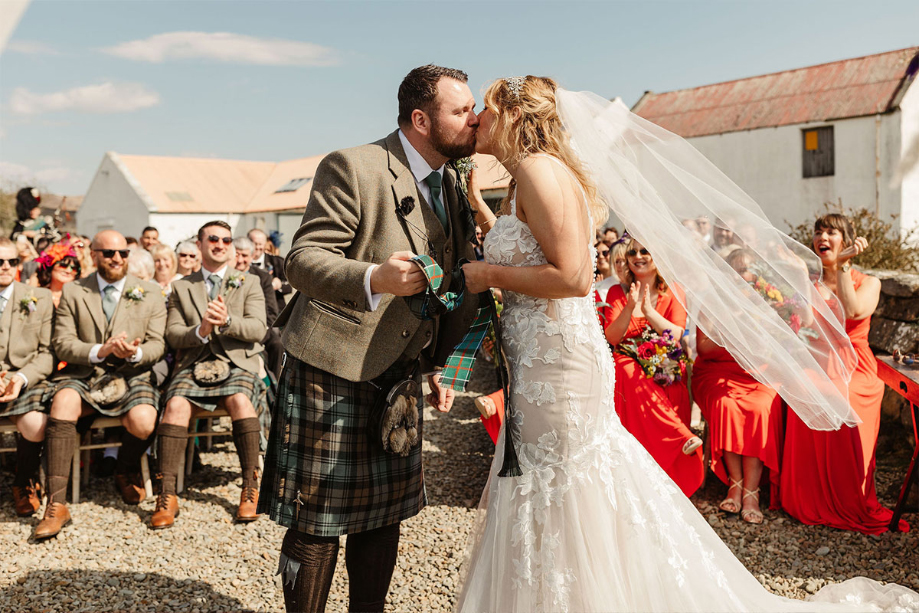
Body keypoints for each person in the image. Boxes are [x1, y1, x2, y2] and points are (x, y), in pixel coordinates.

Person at [454, 77, 918, 612]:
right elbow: (531, 247)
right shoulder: (522, 179)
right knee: (556, 480)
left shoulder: (538, 169)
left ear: (513, 117)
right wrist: (481, 214)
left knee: (566, 482)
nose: (476, 121)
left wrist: (484, 273)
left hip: (557, 364)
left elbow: (576, 276)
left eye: (483, 111)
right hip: (543, 360)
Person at [258, 64, 480, 613]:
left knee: (384, 515)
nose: (474, 120)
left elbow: (451, 281)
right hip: (332, 366)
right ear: (422, 119)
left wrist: (435, 364)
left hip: (399, 370)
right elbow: (302, 260)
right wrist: (373, 277)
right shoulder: (353, 166)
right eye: (462, 110)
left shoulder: (453, 181)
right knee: (316, 520)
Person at [778, 213, 908, 534]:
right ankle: (809, 495)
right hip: (818, 362)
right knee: (802, 387)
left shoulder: (870, 282)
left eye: (831, 232)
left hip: (857, 368)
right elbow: (804, 325)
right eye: (818, 231)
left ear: (846, 240)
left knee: (841, 394)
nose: (822, 237)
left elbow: (852, 311)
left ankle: (849, 498)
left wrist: (845, 267)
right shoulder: (809, 284)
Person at [34, 230, 166, 540]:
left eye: (122, 253)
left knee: (144, 422)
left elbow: (158, 344)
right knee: (62, 402)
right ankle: (56, 504)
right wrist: (99, 351)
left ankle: (125, 468)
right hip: (86, 374)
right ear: (94, 255)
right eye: (108, 253)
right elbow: (62, 344)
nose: (117, 259)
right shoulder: (74, 291)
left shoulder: (148, 291)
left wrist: (136, 353)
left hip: (132, 375)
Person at [153, 221, 267, 530]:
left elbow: (259, 329)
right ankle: (166, 496)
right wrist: (200, 331)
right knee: (174, 406)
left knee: (241, 400)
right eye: (213, 238)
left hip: (236, 363)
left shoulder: (249, 282)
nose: (220, 243)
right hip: (194, 362)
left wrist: (228, 321)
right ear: (200, 244)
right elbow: (173, 335)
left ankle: (250, 488)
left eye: (225, 240)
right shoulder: (181, 286)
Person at [603, 238, 704, 496]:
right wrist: (629, 306)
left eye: (645, 250)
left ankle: (671, 471)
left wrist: (648, 311)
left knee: (671, 380)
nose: (638, 256)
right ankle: (680, 437)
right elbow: (613, 338)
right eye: (633, 252)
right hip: (626, 358)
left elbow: (677, 332)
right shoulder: (617, 292)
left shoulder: (673, 291)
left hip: (664, 359)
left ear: (657, 256)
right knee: (625, 368)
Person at [691, 249, 783, 524]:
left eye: (746, 270)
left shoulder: (768, 303)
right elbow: (704, 348)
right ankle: (736, 484)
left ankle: (752, 491)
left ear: (756, 275)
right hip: (716, 371)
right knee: (726, 404)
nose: (740, 275)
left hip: (757, 374)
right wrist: (731, 327)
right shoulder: (710, 302)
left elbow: (771, 353)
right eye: (735, 269)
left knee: (759, 407)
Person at [0, 238, 55, 517]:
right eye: (0, 262)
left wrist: (20, 378)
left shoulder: (40, 297)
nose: (6, 267)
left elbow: (47, 354)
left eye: (12, 261)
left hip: (24, 380)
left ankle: (24, 483)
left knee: (36, 424)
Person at [233, 236, 282, 376]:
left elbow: (272, 312)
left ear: (252, 256)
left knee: (277, 345)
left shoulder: (263, 277)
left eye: (245, 255)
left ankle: (275, 386)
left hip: (260, 328)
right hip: (233, 327)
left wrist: (258, 331)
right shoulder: (226, 275)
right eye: (237, 255)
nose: (240, 260)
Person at [247, 228, 292, 309]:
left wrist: (279, 285)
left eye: (260, 244)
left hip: (273, 309)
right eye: (254, 244)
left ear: (265, 244)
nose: (257, 247)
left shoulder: (277, 262)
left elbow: (289, 286)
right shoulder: (240, 261)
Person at [34, 242, 81, 308]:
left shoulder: (79, 298)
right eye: (63, 265)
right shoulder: (36, 294)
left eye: (74, 268)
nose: (68, 271)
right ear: (51, 267)